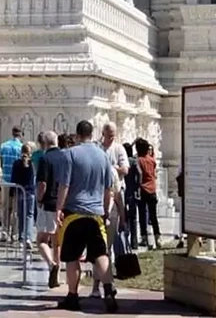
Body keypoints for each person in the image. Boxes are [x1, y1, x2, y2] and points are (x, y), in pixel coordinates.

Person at [55, 120, 119, 313]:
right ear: (93, 134)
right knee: (100, 253)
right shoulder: (103, 156)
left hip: (74, 213)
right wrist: (105, 209)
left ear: (77, 135)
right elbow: (109, 188)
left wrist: (59, 208)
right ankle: (108, 289)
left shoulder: (70, 154)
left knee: (72, 256)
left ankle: (73, 296)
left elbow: (64, 185)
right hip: (95, 213)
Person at [91, 122, 130, 299]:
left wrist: (122, 215)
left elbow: (117, 194)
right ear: (103, 133)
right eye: (109, 133)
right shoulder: (98, 150)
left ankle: (103, 284)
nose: (112, 136)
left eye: (114, 133)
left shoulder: (118, 151)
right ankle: (101, 285)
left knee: (105, 248)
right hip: (97, 208)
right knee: (100, 248)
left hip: (107, 209)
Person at [35, 130, 64, 288]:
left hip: (48, 203)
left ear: (44, 144)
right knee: (57, 241)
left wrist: (39, 198)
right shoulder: (65, 157)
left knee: (41, 240)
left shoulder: (45, 159)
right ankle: (57, 276)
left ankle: (52, 264)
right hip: (62, 203)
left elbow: (42, 184)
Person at [135, 138, 162, 249]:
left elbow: (140, 173)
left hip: (143, 189)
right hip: (152, 189)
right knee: (153, 215)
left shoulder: (139, 160)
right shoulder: (152, 160)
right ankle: (157, 237)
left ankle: (144, 237)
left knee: (142, 214)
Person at [0, 127, 24, 242]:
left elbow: (1, 162)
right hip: (17, 182)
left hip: (5, 179)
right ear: (21, 135)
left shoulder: (4, 146)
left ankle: (4, 232)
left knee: (5, 207)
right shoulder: (21, 148)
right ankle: (14, 233)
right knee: (15, 209)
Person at [12, 143, 37, 248]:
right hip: (30, 192)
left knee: (20, 215)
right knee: (29, 215)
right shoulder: (32, 164)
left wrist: (11, 192)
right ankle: (28, 237)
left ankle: (21, 237)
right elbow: (33, 179)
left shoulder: (16, 163)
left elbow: (13, 178)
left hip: (19, 191)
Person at [122, 143, 140, 250]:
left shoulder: (123, 163)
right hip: (132, 193)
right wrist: (138, 186)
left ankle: (125, 241)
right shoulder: (134, 161)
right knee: (133, 219)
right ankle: (134, 242)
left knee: (124, 218)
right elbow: (140, 173)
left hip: (124, 192)